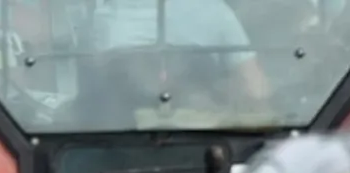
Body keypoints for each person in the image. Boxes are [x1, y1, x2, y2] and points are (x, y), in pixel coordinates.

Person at [89, 0, 269, 104]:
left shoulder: (105, 15)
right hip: (203, 142)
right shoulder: (214, 10)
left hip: (115, 141)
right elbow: (256, 89)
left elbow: (95, 85)